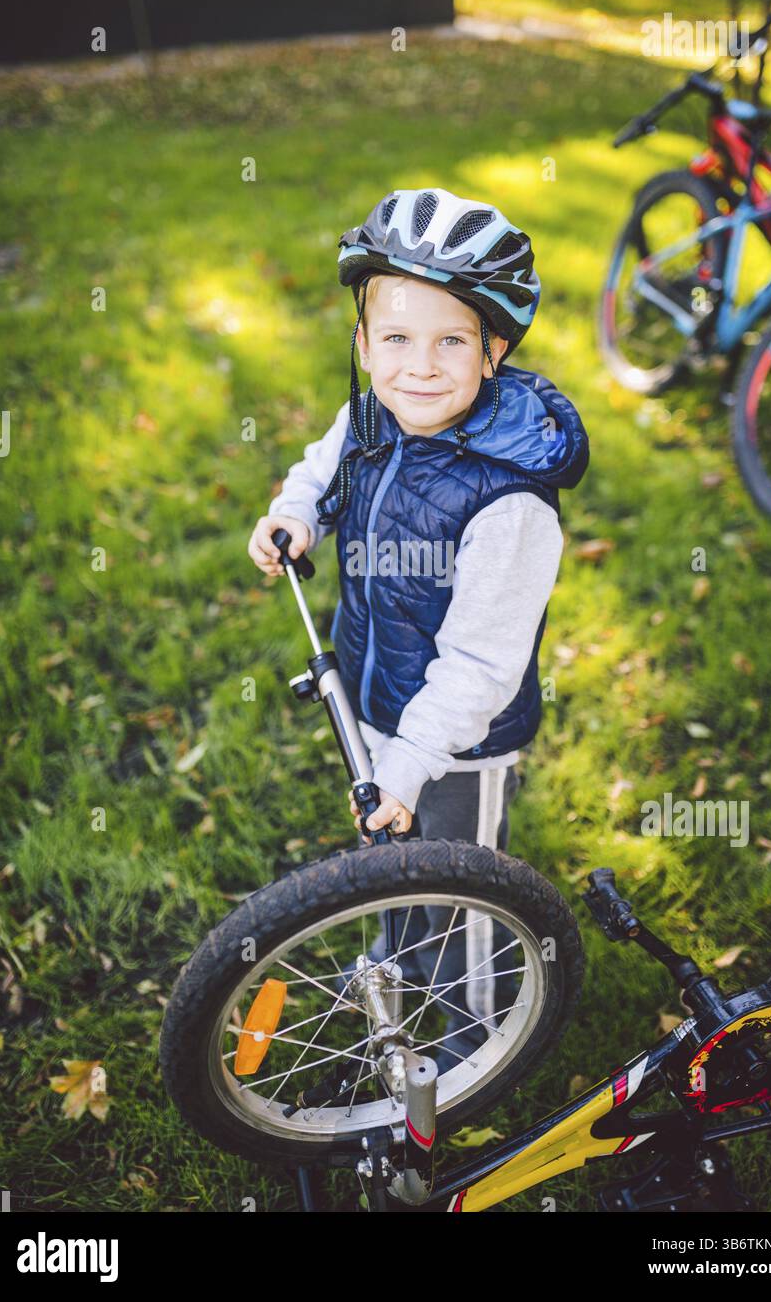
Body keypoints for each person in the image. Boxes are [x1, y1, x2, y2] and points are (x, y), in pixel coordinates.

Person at [248, 186, 589, 1075]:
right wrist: (295, 516)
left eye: (451, 341)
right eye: (396, 338)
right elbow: (325, 467)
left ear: (494, 350)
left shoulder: (511, 505)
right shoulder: (373, 413)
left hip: (457, 739)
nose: (420, 366)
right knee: (398, 858)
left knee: (465, 884)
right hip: (376, 685)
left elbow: (478, 666)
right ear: (362, 346)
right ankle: (398, 954)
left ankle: (478, 1039)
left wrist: (406, 765)